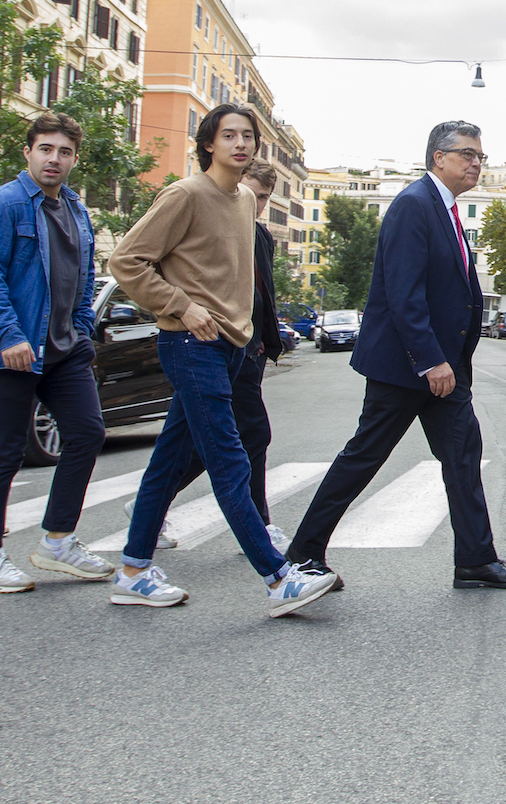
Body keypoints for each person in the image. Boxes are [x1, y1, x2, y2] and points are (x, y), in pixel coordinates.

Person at [286, 120, 506, 591]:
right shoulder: (413, 205)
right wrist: (430, 359)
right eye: (468, 154)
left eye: (480, 156)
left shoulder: (447, 209)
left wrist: (451, 362)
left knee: (463, 454)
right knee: (365, 455)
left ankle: (476, 559)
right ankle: (303, 553)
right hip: (408, 366)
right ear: (438, 157)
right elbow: (403, 294)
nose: (477, 163)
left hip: (444, 369)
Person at [108, 104, 336, 616]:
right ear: (208, 143)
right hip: (190, 346)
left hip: (231, 347)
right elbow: (125, 260)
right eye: (229, 135)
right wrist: (181, 307)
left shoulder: (241, 202)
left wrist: (250, 333)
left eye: (248, 136)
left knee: (167, 464)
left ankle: (133, 569)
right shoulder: (185, 194)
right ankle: (278, 577)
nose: (241, 144)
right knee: (230, 461)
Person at [0, 113, 115, 593]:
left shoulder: (75, 209)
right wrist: (8, 335)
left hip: (64, 348)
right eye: (46, 149)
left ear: (74, 159)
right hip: (14, 349)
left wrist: (83, 330)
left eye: (64, 151)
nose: (55, 159)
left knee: (88, 434)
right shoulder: (1, 205)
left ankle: (57, 540)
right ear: (27, 152)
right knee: (4, 452)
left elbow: (85, 276)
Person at [131, 159, 287, 553]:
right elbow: (133, 262)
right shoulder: (190, 201)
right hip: (202, 343)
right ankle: (269, 555)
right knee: (243, 439)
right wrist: (180, 307)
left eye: (265, 198)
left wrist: (265, 340)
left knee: (189, 445)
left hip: (244, 348)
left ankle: (138, 550)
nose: (257, 203)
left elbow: (259, 293)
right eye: (253, 192)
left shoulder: (260, 235)